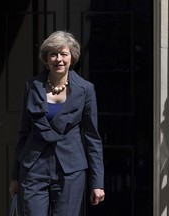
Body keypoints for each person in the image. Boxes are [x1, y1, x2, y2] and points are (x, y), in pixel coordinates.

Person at [9, 30, 105, 216]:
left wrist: (97, 182)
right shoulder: (32, 86)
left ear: (72, 57)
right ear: (46, 58)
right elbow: (24, 133)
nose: (58, 59)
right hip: (33, 168)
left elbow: (93, 138)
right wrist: (15, 175)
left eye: (64, 54)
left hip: (70, 170)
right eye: (53, 54)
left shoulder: (85, 90)